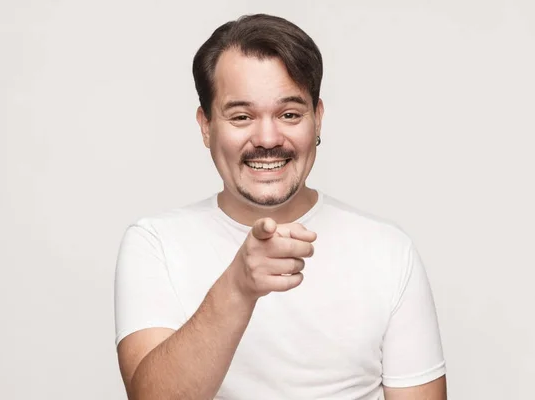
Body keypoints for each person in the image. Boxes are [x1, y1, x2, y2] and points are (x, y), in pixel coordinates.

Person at [114, 13, 447, 400]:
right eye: (241, 116)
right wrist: (238, 287)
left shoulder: (389, 251)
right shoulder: (155, 244)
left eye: (289, 114)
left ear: (317, 119)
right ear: (206, 126)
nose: (268, 137)